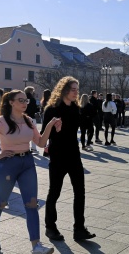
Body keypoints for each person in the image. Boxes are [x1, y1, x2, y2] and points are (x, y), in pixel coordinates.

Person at [0, 89, 61, 253]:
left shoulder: (28, 120)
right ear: (11, 102)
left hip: (27, 163)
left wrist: (49, 126)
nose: (25, 103)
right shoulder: (1, 121)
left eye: (26, 100)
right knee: (1, 203)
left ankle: (36, 245)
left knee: (32, 204)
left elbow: (40, 143)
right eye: (21, 100)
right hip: (7, 164)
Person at [40, 77, 96, 242]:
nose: (76, 92)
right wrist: (52, 127)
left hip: (74, 156)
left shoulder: (76, 108)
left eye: (77, 90)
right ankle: (50, 227)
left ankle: (79, 229)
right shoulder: (52, 109)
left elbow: (81, 127)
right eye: (73, 89)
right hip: (58, 156)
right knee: (54, 192)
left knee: (80, 192)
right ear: (64, 90)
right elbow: (44, 134)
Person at [24, 86, 39, 154]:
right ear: (30, 91)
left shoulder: (23, 98)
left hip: (23, 117)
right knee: (33, 134)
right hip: (32, 117)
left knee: (24, 133)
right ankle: (33, 148)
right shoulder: (32, 99)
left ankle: (25, 147)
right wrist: (38, 109)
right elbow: (35, 109)